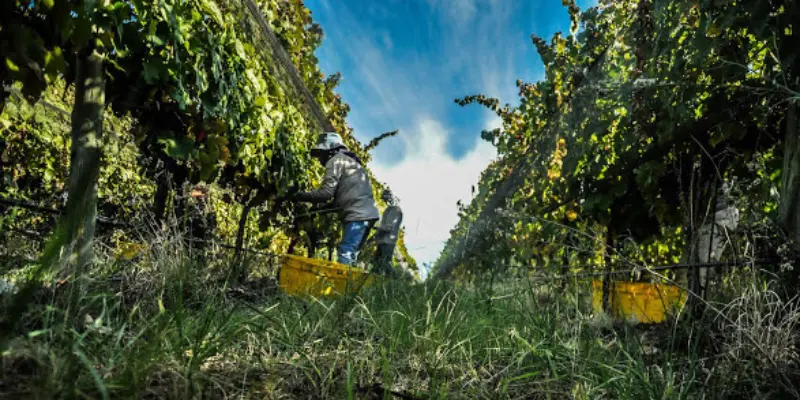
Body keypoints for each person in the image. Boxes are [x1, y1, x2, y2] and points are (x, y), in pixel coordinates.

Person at [286, 132, 380, 266]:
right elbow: (340, 200)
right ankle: (350, 285)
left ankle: (341, 287)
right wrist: (320, 209)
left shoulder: (335, 160)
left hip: (357, 214)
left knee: (346, 252)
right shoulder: (351, 162)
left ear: (329, 150)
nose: (319, 160)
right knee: (352, 255)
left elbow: (325, 194)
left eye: (320, 154)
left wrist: (298, 196)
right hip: (368, 214)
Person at [373, 189, 403, 276]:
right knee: (376, 263)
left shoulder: (396, 210)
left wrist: (375, 226)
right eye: (384, 199)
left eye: (386, 199)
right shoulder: (388, 210)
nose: (385, 201)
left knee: (386, 263)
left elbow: (389, 227)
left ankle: (395, 281)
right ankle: (374, 283)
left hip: (388, 241)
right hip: (382, 241)